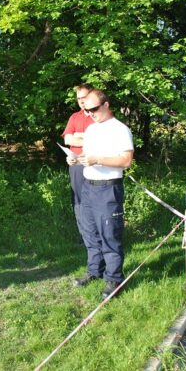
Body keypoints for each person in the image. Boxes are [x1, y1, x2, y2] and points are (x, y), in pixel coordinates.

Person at [69, 89, 133, 300]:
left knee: (109, 235)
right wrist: (75, 159)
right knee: (90, 232)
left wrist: (98, 160)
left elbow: (125, 161)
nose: (90, 113)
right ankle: (94, 270)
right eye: (87, 110)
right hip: (88, 186)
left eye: (94, 109)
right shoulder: (93, 130)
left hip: (108, 189)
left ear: (106, 105)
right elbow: (87, 155)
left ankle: (114, 279)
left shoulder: (120, 130)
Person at [61, 83, 94, 241]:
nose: (81, 101)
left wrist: (79, 136)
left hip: (95, 164)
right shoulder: (75, 117)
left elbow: (101, 140)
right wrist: (85, 137)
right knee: (78, 200)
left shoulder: (99, 116)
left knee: (95, 199)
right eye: (79, 98)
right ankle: (85, 237)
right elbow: (68, 139)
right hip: (76, 165)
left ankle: (97, 235)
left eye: (84, 97)